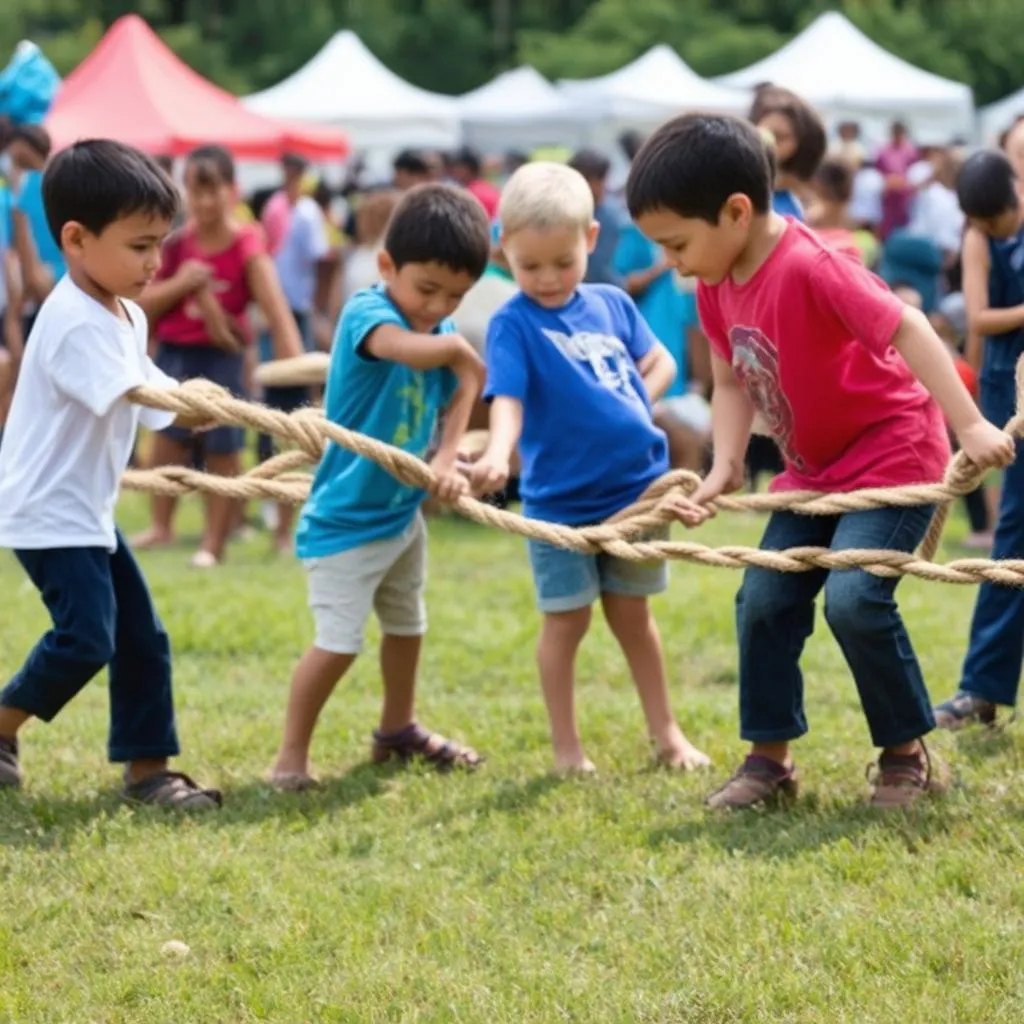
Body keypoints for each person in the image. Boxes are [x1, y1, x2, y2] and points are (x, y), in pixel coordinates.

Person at [625, 114, 1014, 810]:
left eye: (678, 243)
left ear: (736, 212)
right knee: (764, 598)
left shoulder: (813, 264)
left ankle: (906, 757)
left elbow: (909, 325)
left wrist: (972, 423)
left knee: (856, 598)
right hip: (814, 471)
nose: (674, 262)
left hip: (892, 452)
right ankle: (769, 761)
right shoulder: (716, 280)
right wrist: (725, 466)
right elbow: (730, 376)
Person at [0, 139, 221, 808]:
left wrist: (189, 402)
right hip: (46, 513)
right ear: (75, 238)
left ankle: (148, 771)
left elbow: (140, 383)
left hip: (85, 511)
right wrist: (184, 402)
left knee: (139, 637)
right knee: (86, 638)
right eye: (139, 245)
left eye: (160, 243)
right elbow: (132, 390)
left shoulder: (125, 311)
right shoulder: (71, 321)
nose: (156, 262)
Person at [469, 162, 710, 776]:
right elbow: (508, 401)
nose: (547, 279)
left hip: (637, 492)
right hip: (561, 503)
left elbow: (656, 362)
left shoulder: (611, 304)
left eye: (562, 262)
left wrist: (639, 397)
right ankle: (567, 750)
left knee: (635, 617)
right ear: (505, 251)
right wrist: (499, 454)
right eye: (530, 266)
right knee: (567, 622)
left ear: (591, 240)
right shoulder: (513, 324)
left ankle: (668, 735)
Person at [270, 184, 491, 789]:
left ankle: (397, 729)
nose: (437, 306)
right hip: (345, 521)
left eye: (455, 296)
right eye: (427, 290)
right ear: (387, 266)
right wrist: (458, 350)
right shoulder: (370, 313)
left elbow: (462, 392)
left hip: (398, 517)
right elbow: (411, 351)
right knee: (339, 646)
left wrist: (447, 459)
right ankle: (290, 757)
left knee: (407, 627)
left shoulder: (441, 331)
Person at [134, 146, 303, 565]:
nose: (205, 201)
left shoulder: (246, 241)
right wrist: (184, 283)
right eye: (197, 190)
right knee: (166, 441)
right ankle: (162, 525)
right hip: (175, 353)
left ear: (233, 191)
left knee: (223, 447)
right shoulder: (175, 243)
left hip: (223, 356)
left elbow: (275, 306)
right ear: (185, 191)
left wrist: (295, 367)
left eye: (215, 190)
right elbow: (142, 302)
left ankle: (214, 541)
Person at [933, 151, 1024, 729]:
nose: (997, 229)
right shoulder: (977, 240)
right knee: (1012, 536)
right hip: (1007, 391)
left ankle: (982, 687)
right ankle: (982, 688)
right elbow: (978, 316)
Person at [568, 149, 623, 288]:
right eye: (599, 180)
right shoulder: (604, 217)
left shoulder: (607, 214)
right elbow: (599, 272)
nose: (603, 186)